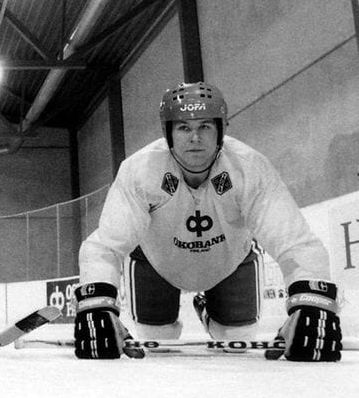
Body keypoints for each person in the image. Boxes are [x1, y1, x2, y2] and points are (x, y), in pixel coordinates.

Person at [75, 81, 340, 361]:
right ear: (168, 133)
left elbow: (294, 241)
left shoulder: (250, 167)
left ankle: (210, 316)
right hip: (156, 265)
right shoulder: (138, 171)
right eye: (184, 128)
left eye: (204, 126)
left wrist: (313, 302)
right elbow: (106, 246)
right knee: (157, 347)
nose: (195, 138)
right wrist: (97, 304)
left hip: (230, 262)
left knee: (237, 344)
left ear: (221, 131)